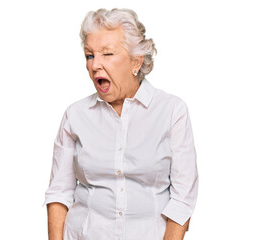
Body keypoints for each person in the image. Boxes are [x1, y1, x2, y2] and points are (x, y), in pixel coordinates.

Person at [43, 8, 198, 240]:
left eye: (107, 54)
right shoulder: (75, 115)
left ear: (136, 61)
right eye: (89, 55)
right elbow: (59, 192)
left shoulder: (172, 111)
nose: (95, 65)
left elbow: (183, 198)